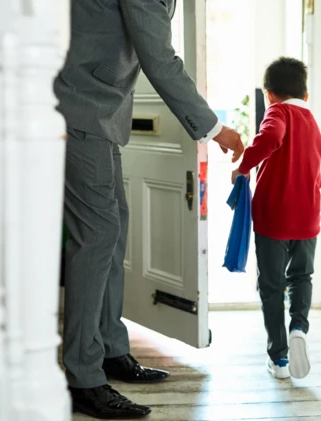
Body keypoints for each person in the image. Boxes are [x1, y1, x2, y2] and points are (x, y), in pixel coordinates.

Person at [54, 0, 244, 418]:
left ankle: (109, 349)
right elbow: (159, 58)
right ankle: (83, 377)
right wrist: (215, 129)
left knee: (113, 227)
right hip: (83, 106)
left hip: (98, 110)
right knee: (98, 236)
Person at [232, 57, 321, 380]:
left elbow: (271, 137)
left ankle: (280, 359)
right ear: (306, 94)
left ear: (269, 95)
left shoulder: (278, 112)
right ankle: (299, 327)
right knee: (302, 277)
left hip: (275, 217)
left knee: (272, 286)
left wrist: (243, 165)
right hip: (308, 217)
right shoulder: (311, 119)